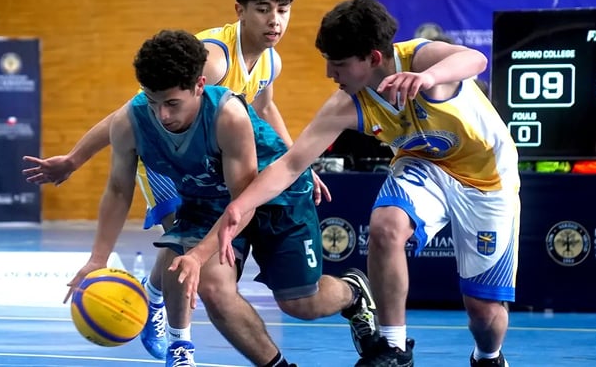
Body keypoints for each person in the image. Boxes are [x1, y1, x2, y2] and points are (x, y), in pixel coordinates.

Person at [22, 0, 329, 360]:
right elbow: (132, 113)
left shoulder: (268, 61)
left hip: (216, 155)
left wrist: (295, 160)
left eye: (282, 11)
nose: (275, 21)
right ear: (240, 11)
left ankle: (153, 297)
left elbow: (266, 108)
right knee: (181, 235)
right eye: (263, 9)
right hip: (171, 158)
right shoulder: (213, 64)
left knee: (198, 245)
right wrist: (76, 159)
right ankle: (175, 335)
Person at [214, 0, 519, 367]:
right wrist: (239, 206)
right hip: (423, 165)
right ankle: (393, 347)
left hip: (486, 179)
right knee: (385, 224)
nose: (330, 74)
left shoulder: (418, 60)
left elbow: (476, 59)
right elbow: (292, 164)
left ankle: (488, 356)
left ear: (373, 59)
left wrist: (428, 77)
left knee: (484, 315)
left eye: (338, 64)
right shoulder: (347, 103)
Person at [64, 29, 378, 367]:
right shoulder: (130, 122)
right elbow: (117, 189)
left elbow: (242, 202)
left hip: (274, 194)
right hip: (208, 199)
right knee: (212, 287)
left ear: (200, 86)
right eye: (153, 102)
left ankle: (353, 293)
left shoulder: (228, 116)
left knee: (300, 304)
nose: (162, 116)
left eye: (172, 103)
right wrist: (98, 258)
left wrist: (199, 255)